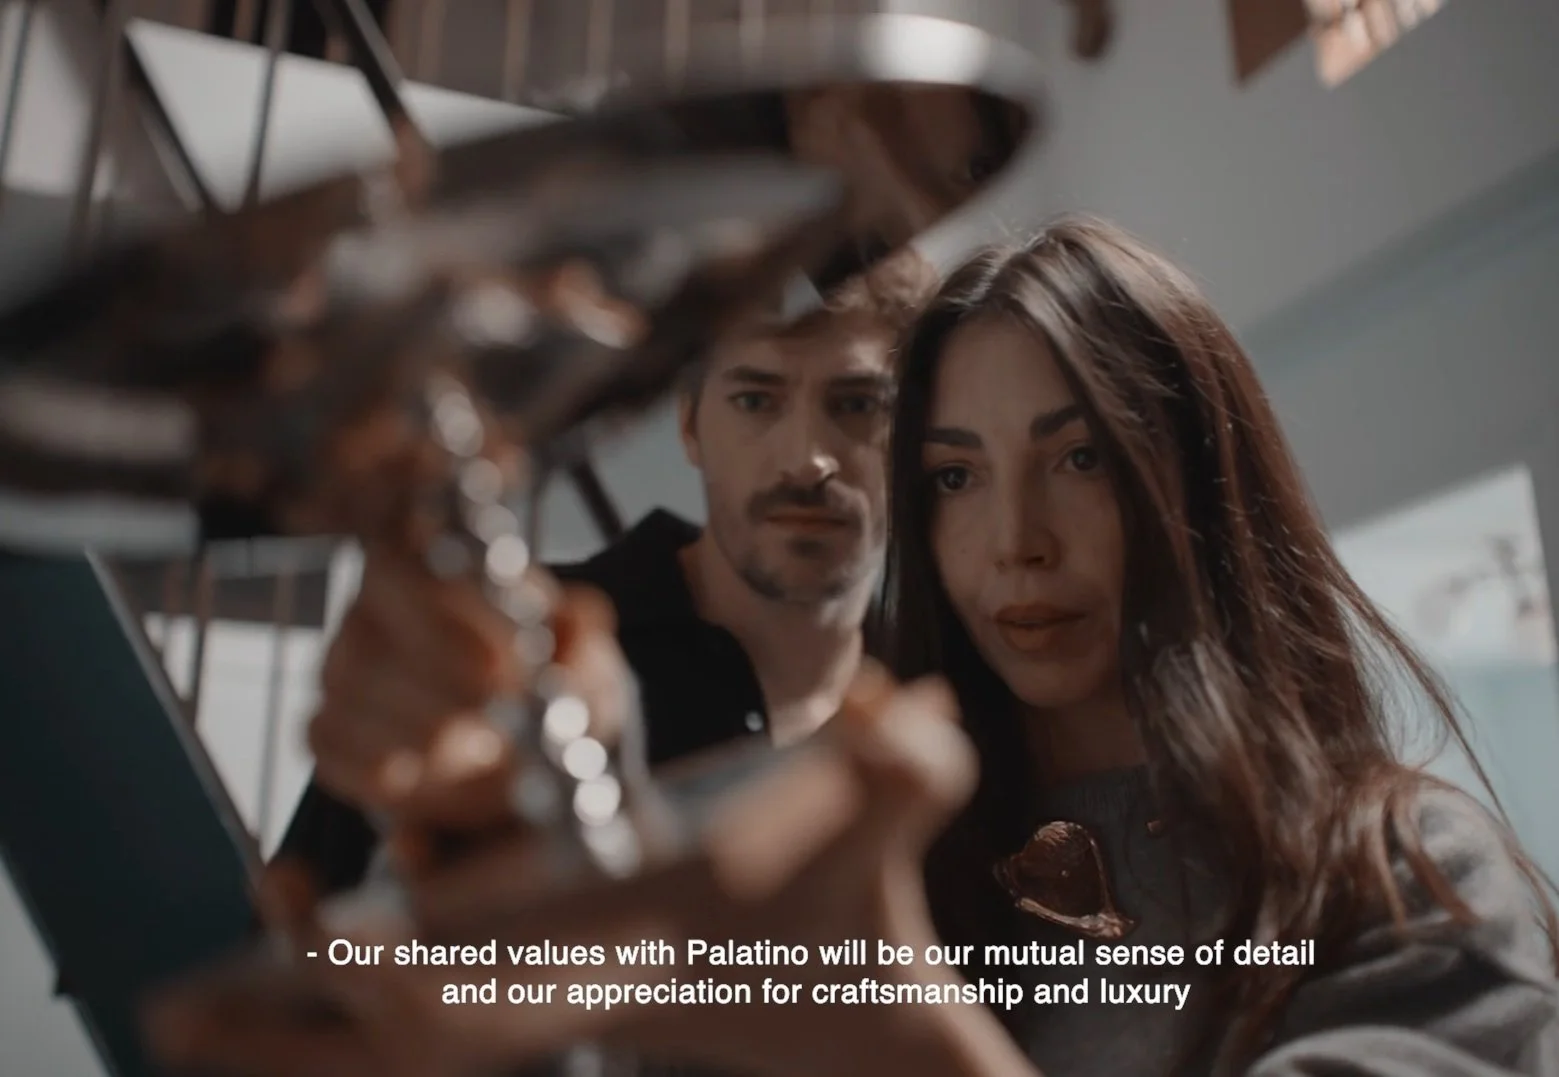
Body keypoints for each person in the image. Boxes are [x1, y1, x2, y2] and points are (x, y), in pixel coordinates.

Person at [150, 217, 1559, 1077]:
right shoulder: (890, 857)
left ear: (1192, 473)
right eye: (954, 474)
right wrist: (472, 896)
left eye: (1076, 459)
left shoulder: (1404, 879)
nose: (1013, 540)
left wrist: (895, 1036)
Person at [272, 250, 938, 897]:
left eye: (858, 405)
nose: (805, 460)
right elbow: (310, 944)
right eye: (755, 400)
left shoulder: (940, 687)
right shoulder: (511, 650)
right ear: (689, 425)